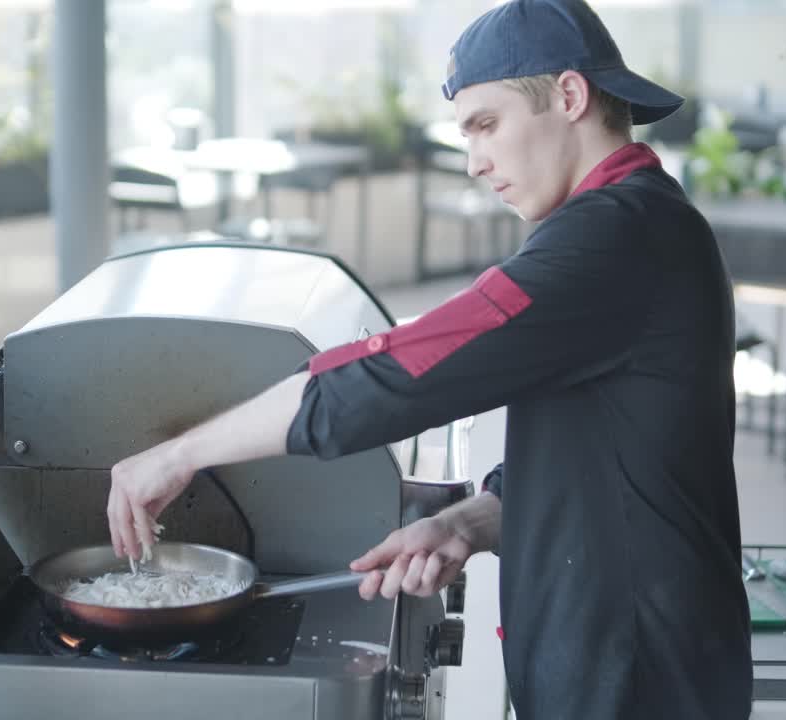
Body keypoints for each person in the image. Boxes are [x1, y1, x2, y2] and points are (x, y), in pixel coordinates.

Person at [105, 0, 752, 717]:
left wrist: (181, 454)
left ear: (569, 96)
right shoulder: (628, 220)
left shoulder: (618, 236)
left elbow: (406, 369)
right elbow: (607, 451)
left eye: (486, 124)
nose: (474, 161)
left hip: (637, 683)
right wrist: (471, 521)